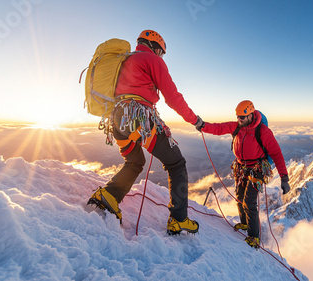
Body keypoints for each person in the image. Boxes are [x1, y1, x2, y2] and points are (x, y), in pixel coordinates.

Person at [88, 30, 203, 235]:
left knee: (135, 162)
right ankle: (179, 219)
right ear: (156, 47)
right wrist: (195, 120)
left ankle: (110, 195)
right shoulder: (151, 59)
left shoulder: (125, 60)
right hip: (138, 118)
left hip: (118, 119)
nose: (161, 56)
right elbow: (172, 97)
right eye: (161, 52)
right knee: (176, 163)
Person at [196, 100, 290, 248]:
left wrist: (284, 178)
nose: (239, 120)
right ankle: (245, 224)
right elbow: (219, 128)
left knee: (249, 202)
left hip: (257, 169)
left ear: (251, 115)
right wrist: (203, 126)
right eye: (238, 117)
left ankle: (254, 237)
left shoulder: (263, 132)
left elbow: (276, 154)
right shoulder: (237, 127)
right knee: (239, 197)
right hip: (241, 168)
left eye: (242, 117)